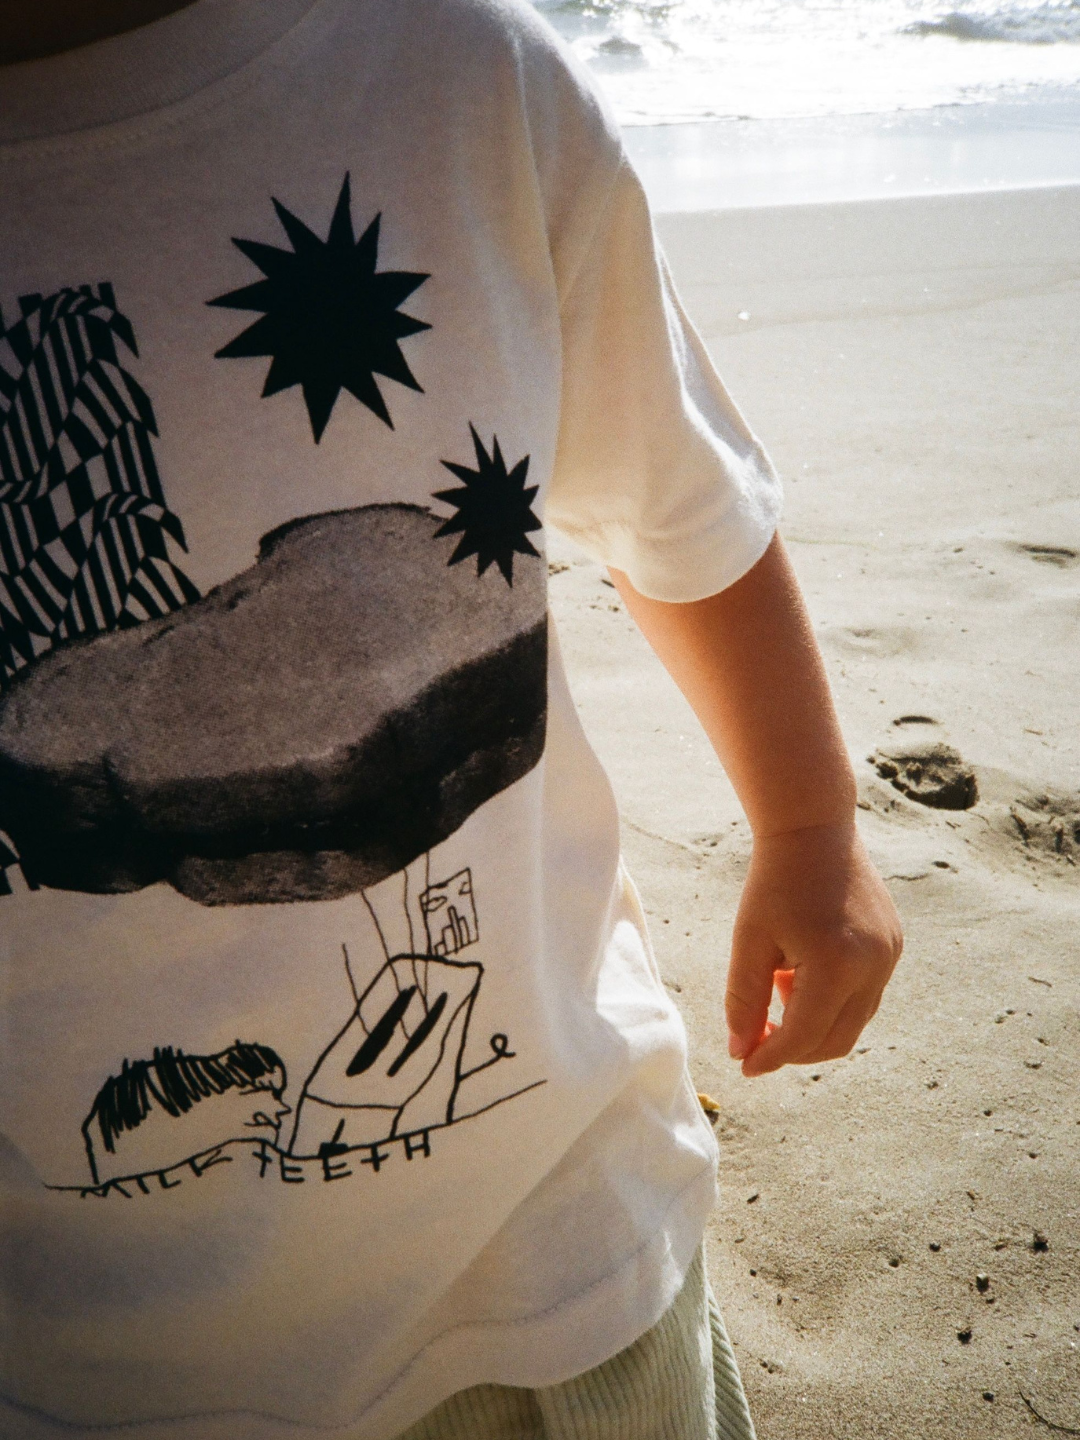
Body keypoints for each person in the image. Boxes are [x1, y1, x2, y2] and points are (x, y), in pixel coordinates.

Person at [0, 0, 902, 1437]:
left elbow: (677, 506)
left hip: (568, 1235)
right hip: (100, 1359)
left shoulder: (453, 70)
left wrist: (810, 824)